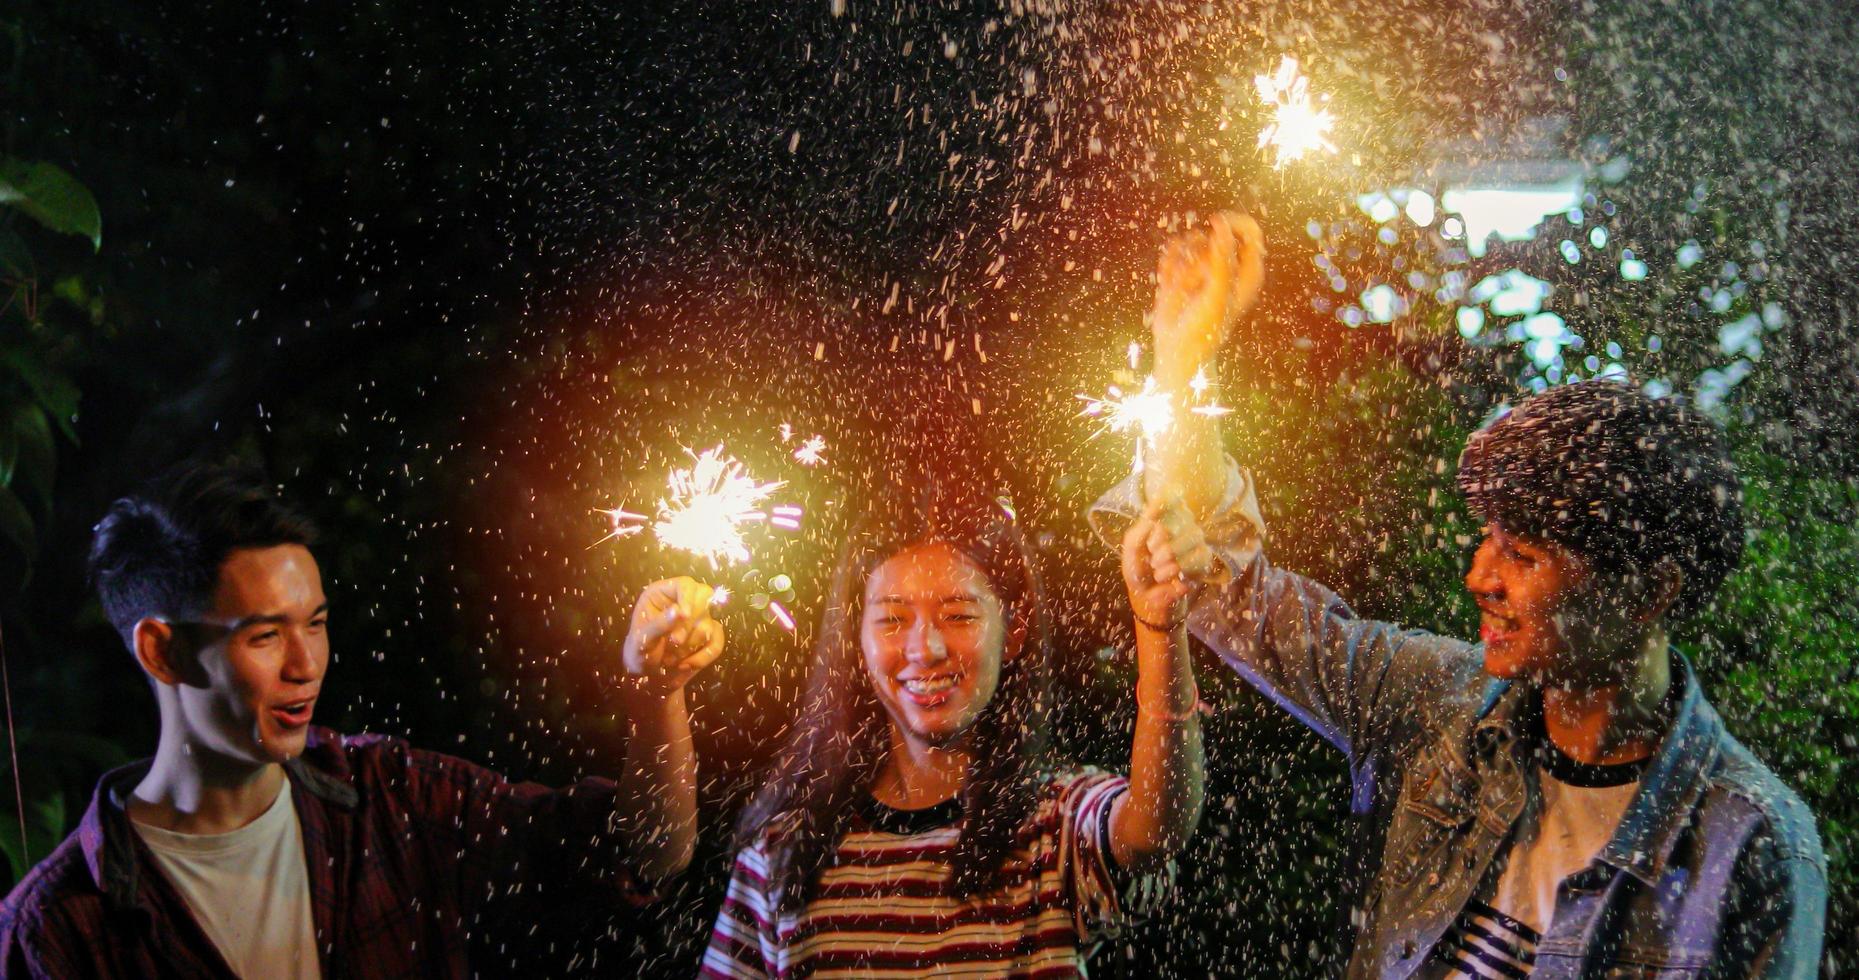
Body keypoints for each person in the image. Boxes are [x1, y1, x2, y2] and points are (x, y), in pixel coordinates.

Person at [1092, 214, 1826, 978]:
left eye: (1524, 553)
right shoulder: (1439, 706)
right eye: (1486, 538)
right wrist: (1181, 365)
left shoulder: (1750, 846)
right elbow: (1236, 594)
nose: (1479, 576)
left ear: (1647, 591)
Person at [0, 462, 726, 978]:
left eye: (315, 624)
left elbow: (642, 855)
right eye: (263, 637)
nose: (305, 663)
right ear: (161, 650)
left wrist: (656, 695)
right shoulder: (59, 928)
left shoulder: (387, 799)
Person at [700, 467, 1206, 977]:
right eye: (893, 619)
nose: (926, 649)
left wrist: (1159, 625)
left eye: (960, 616)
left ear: (1013, 633)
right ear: (858, 641)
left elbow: (1153, 829)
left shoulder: (1058, 825)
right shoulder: (785, 846)